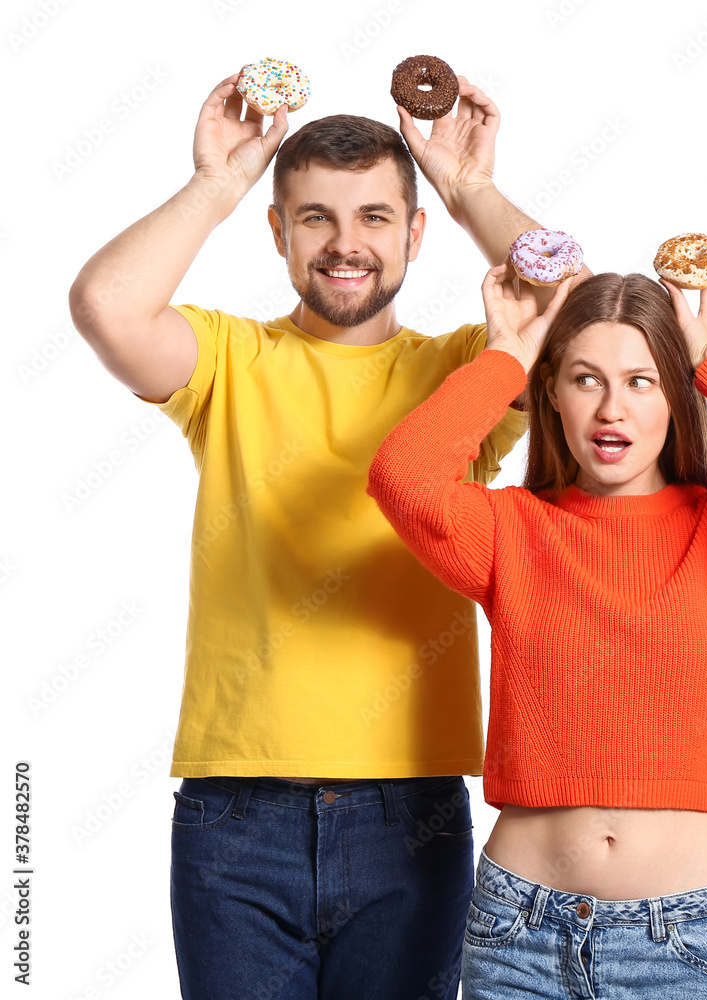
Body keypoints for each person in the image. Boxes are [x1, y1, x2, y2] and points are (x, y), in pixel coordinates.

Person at [68, 71, 578, 1000]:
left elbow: (580, 319)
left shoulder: (465, 371)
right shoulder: (230, 359)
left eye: (377, 218)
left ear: (415, 234)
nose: (347, 245)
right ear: (278, 232)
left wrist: (468, 190)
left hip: (411, 814)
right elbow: (107, 306)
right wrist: (215, 186)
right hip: (236, 817)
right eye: (315, 219)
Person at [368, 261, 707, 997]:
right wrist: (507, 354)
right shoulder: (509, 529)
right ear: (553, 395)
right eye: (585, 378)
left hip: (685, 940)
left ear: (677, 395)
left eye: (641, 380)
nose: (611, 410)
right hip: (518, 931)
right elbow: (403, 475)